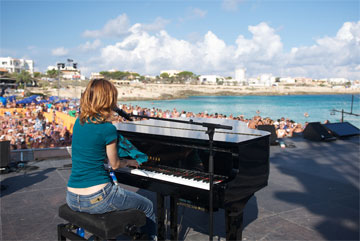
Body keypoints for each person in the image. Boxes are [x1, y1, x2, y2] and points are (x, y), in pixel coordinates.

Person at [66, 79, 156, 240]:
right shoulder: (107, 129)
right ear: (108, 100)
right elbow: (114, 165)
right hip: (97, 198)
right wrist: (129, 162)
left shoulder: (78, 122)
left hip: (72, 196)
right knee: (147, 205)